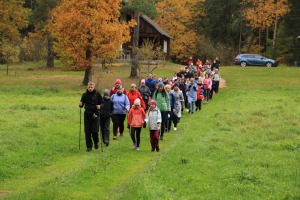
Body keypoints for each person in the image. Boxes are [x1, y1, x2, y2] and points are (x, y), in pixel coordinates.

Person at [79, 82, 103, 152]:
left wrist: (100, 106)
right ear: (87, 87)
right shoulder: (84, 95)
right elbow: (81, 104)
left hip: (95, 114)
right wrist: (80, 104)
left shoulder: (97, 94)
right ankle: (89, 146)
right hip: (87, 114)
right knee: (87, 131)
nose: (90, 88)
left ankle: (96, 142)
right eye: (89, 87)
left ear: (94, 87)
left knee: (95, 131)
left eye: (91, 87)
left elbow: (102, 103)